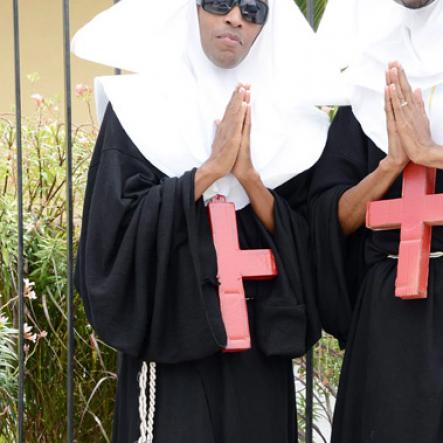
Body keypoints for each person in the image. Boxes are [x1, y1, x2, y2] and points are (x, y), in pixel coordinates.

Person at [72, 0, 330, 441]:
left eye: (253, 9)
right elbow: (109, 236)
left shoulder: (292, 125)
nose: (235, 18)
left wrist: (248, 177)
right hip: (172, 343)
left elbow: (310, 246)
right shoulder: (139, 110)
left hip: (256, 349)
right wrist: (209, 171)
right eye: (218, 2)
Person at [311, 0, 443, 442]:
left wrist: (431, 154)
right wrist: (389, 165)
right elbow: (330, 215)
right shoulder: (367, 92)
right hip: (389, 310)